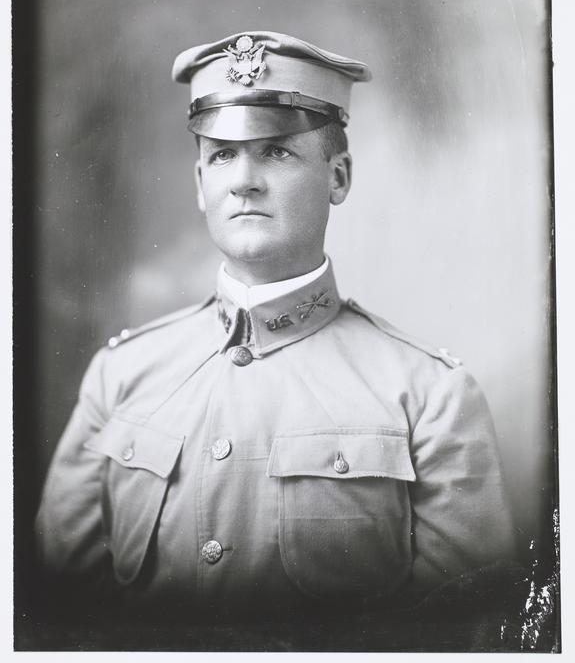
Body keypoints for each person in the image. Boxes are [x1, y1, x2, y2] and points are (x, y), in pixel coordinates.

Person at [36, 31, 516, 620]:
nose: (244, 180)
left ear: (338, 178)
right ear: (200, 184)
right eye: (222, 155)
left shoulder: (430, 397)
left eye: (277, 152)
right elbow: (60, 613)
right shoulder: (119, 377)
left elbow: (462, 634)